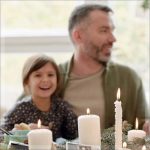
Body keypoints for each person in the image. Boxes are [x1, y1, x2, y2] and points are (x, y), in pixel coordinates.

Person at [58, 4, 150, 133]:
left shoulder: (128, 78)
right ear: (78, 36)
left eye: (112, 30)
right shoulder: (51, 77)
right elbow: (21, 120)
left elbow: (143, 127)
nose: (113, 39)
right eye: (104, 30)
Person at [0, 54, 78, 141]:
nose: (45, 80)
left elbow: (75, 135)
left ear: (57, 79)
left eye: (50, 75)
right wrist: (22, 133)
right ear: (27, 81)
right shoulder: (20, 108)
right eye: (38, 75)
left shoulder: (62, 107)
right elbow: (2, 135)